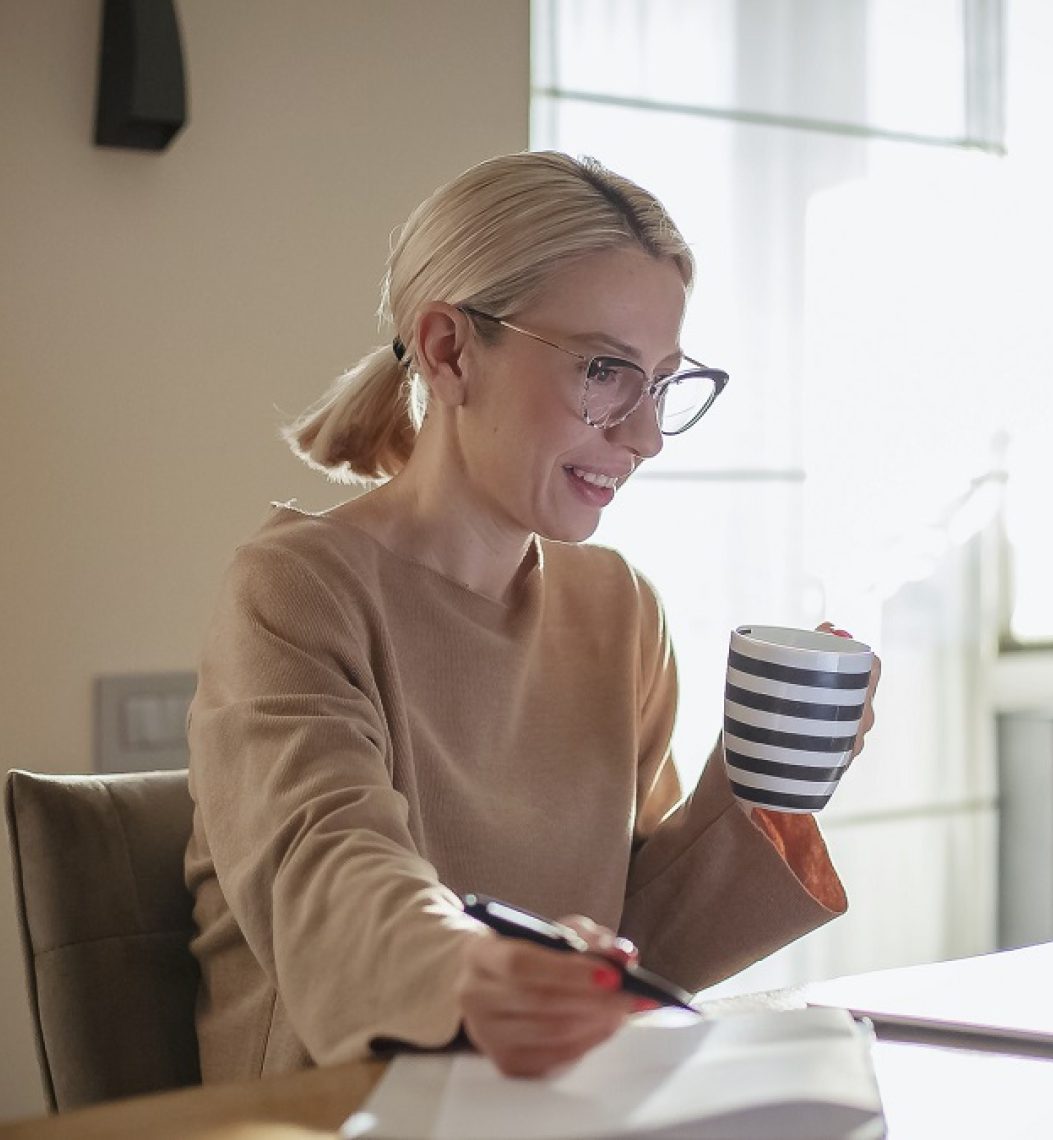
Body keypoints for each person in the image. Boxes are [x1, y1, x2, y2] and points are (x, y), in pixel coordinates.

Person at [183, 151, 880, 1084]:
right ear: (449, 350)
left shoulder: (617, 606)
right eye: (604, 371)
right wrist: (471, 971)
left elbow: (636, 948)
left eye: (663, 381)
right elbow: (327, 866)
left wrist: (769, 787)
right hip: (339, 1107)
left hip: (543, 1105)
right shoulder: (296, 589)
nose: (645, 435)